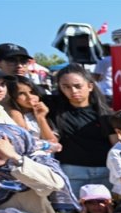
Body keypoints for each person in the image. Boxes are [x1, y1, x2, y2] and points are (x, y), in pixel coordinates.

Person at [44, 65, 115, 194]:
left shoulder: (106, 114)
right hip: (71, 171)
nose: (73, 91)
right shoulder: (53, 108)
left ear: (90, 86)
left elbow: (116, 144)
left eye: (78, 86)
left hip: (104, 171)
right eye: (66, 87)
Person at [5, 76, 59, 147]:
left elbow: (53, 143)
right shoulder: (12, 115)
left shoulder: (46, 110)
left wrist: (41, 118)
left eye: (32, 92)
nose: (30, 97)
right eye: (21, 93)